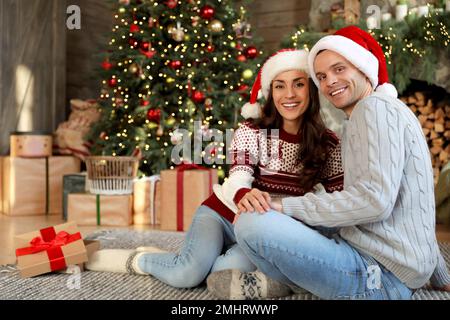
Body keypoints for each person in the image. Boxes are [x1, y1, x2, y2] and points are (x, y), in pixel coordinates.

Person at [207, 26, 450, 300]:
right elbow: (417, 204)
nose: (330, 81)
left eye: (339, 69)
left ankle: (285, 284)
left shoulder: (374, 110)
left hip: (377, 274)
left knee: (251, 223)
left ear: (362, 67)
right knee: (282, 220)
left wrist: (283, 206)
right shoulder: (380, 111)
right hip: (392, 266)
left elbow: (375, 201)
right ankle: (287, 281)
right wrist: (439, 275)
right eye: (321, 76)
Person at [85, 49, 344, 297]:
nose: (289, 94)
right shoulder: (251, 129)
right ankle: (141, 258)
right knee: (186, 275)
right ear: (270, 92)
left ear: (311, 88)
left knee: (220, 273)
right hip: (223, 212)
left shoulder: (329, 143)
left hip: (260, 230)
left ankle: (192, 257)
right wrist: (245, 192)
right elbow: (239, 176)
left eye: (298, 84)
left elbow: (339, 199)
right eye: (280, 86)